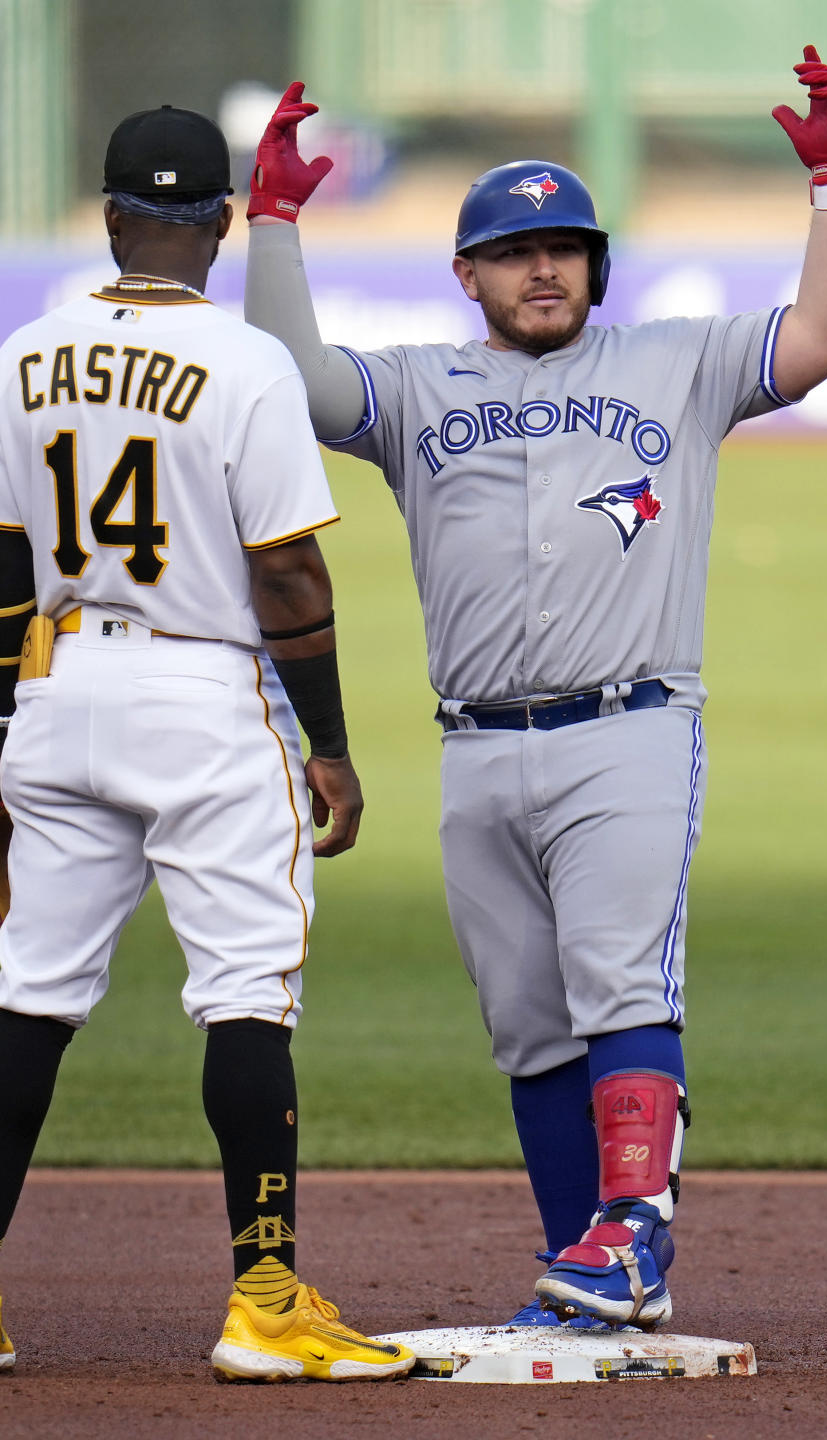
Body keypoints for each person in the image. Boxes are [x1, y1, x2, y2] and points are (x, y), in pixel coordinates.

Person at [242, 46, 827, 1331]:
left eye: (568, 248)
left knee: (622, 985)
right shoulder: (419, 387)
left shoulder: (676, 365)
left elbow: (825, 335)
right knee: (530, 1028)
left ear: (596, 266)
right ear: (466, 273)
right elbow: (295, 381)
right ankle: (584, 1274)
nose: (546, 268)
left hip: (628, 731)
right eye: (518, 252)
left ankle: (635, 1234)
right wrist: (275, 226)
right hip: (475, 753)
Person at [0, 103, 414, 1383]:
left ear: (111, 212)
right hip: (201, 698)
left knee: (27, 993)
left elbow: (7, 561)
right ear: (222, 226)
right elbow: (287, 578)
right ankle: (266, 1302)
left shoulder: (23, 354)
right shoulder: (244, 364)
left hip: (55, 690)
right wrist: (331, 744)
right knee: (244, 993)